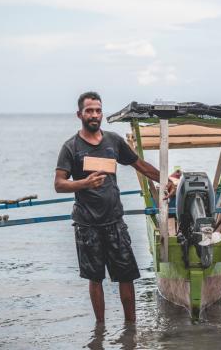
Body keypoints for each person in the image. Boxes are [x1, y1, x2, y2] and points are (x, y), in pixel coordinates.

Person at [54, 91, 171, 323]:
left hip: (115, 222)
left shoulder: (113, 141)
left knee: (126, 276)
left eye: (98, 110)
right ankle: (100, 330)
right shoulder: (71, 147)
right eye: (89, 110)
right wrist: (85, 183)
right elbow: (59, 184)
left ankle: (131, 328)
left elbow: (140, 165)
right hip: (87, 224)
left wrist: (167, 181)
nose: (94, 114)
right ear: (80, 114)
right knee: (95, 278)